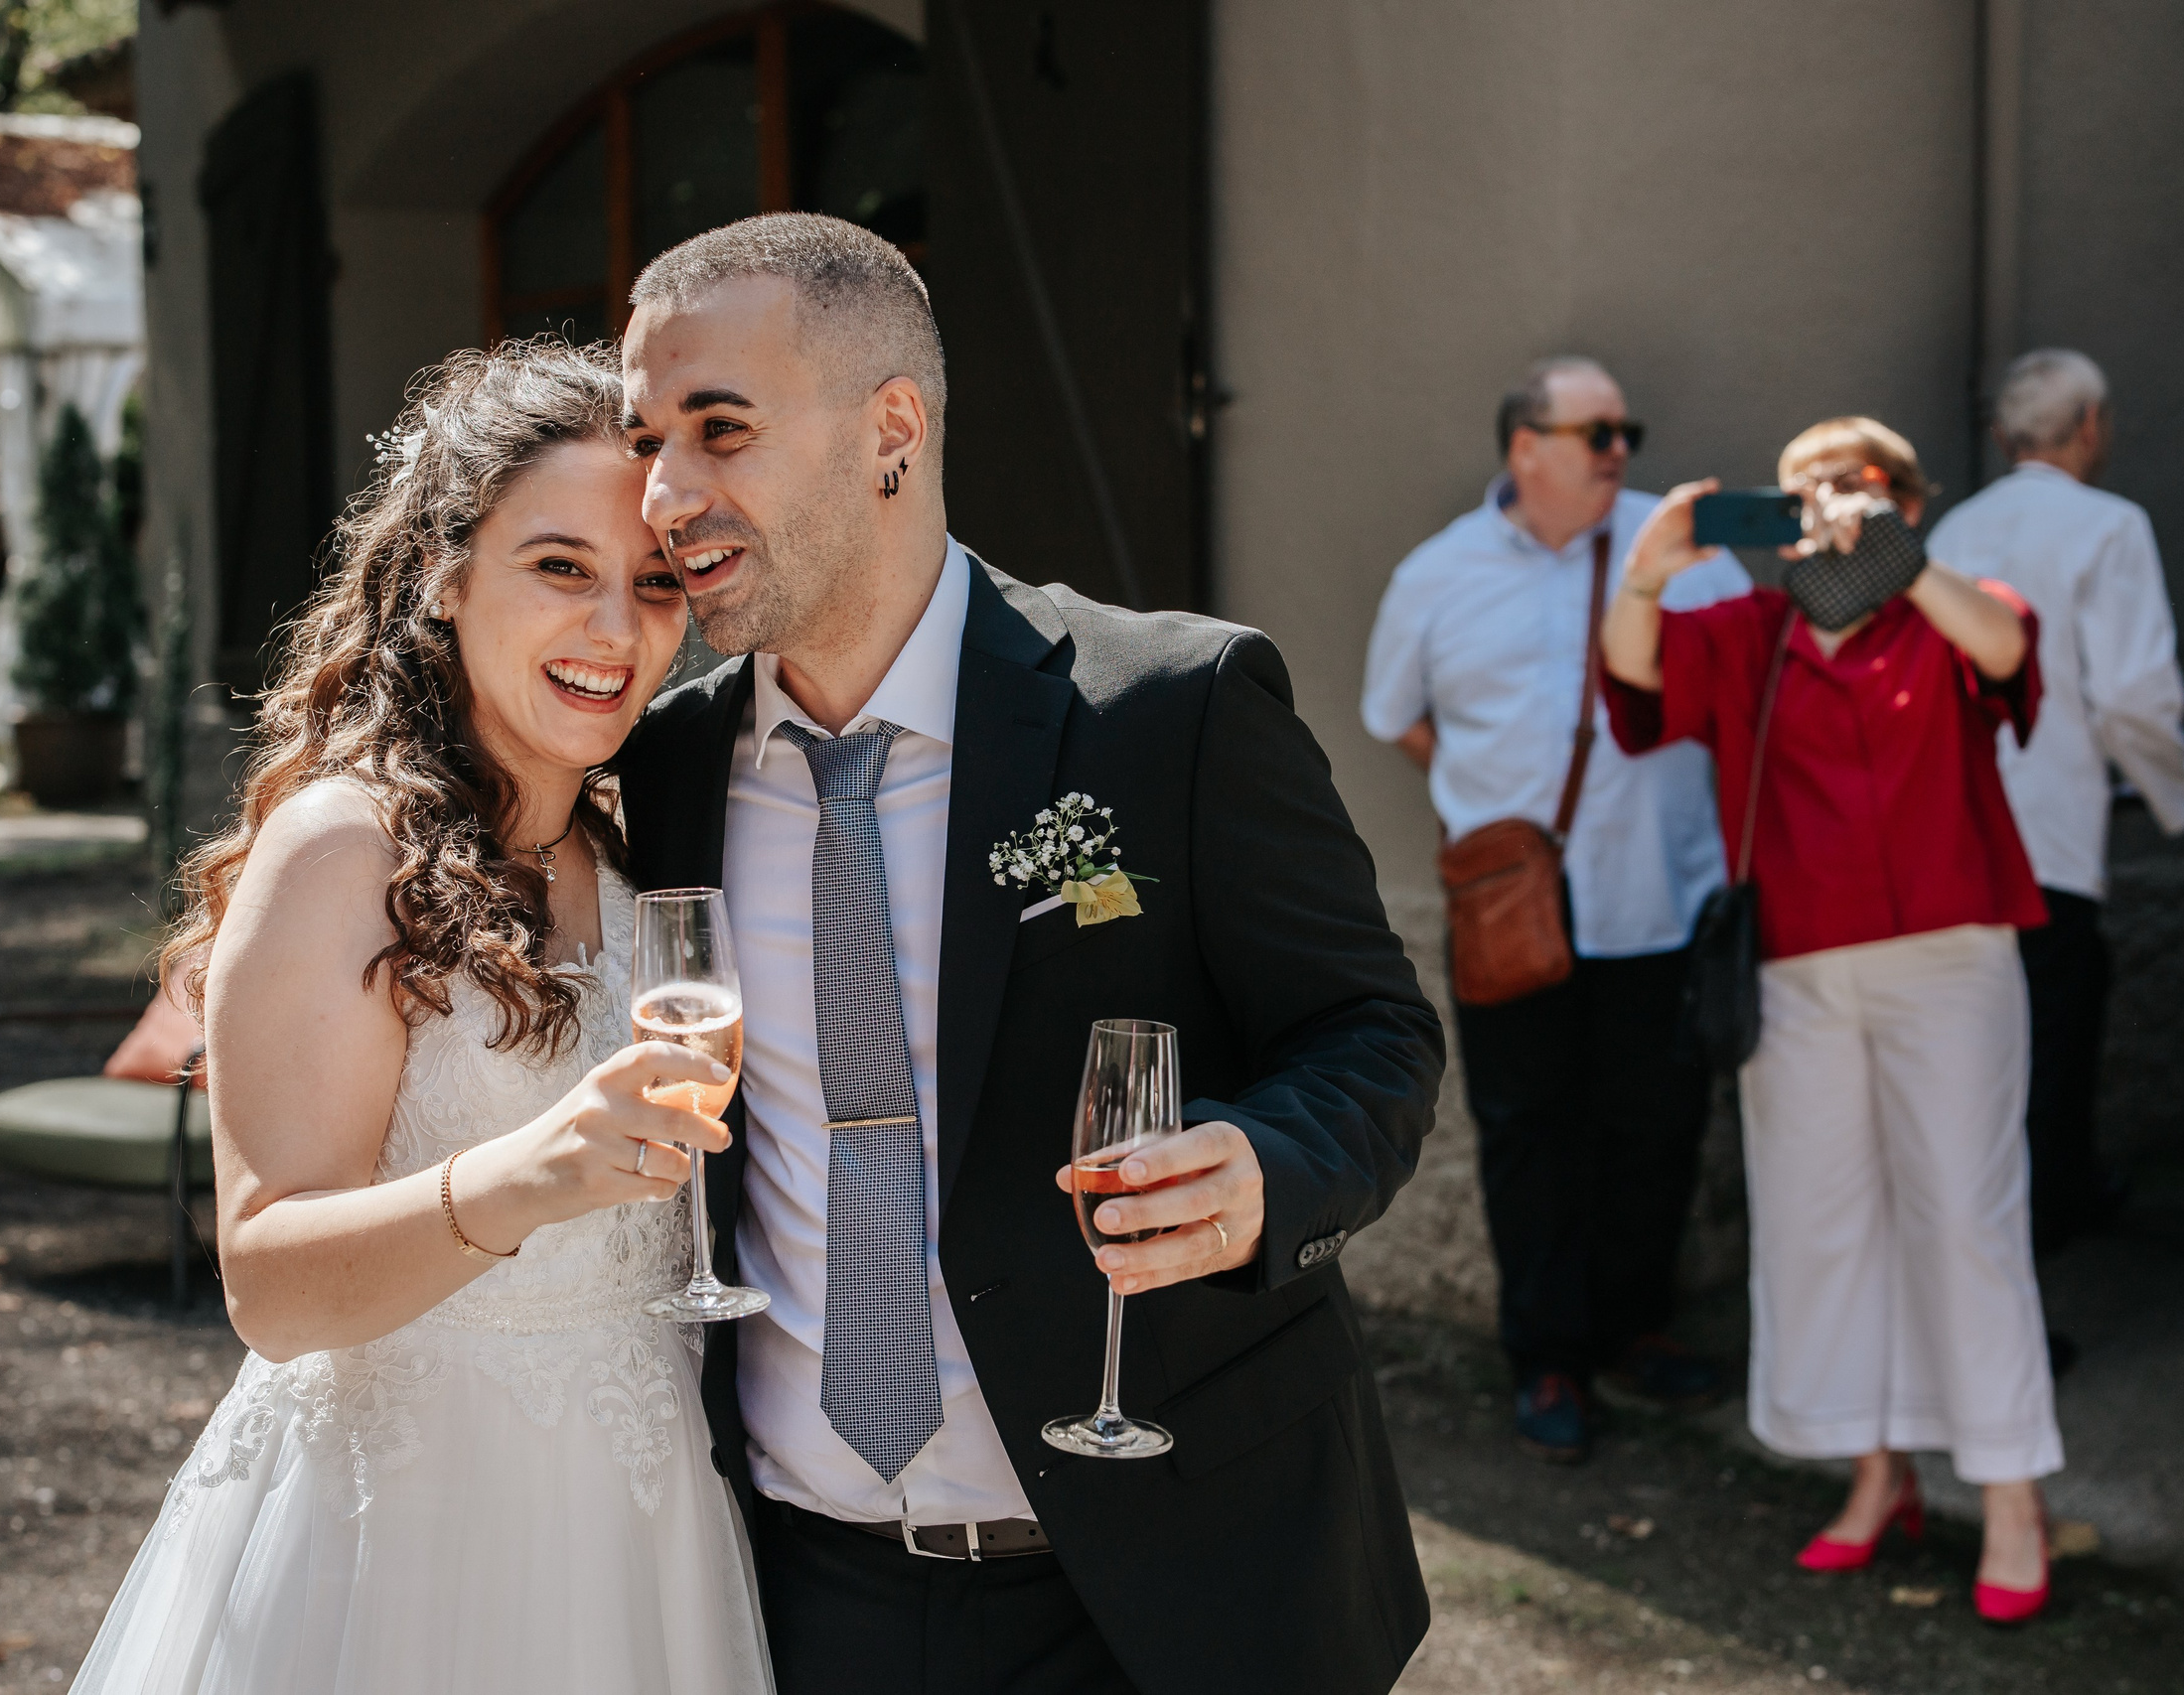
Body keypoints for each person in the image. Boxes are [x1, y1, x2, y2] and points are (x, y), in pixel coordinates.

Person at [617, 212, 1445, 1695]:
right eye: (646, 441)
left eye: (719, 428)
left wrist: (1264, 1170)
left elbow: (1374, 1037)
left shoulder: (1172, 708)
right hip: (804, 1586)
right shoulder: (665, 766)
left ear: (892, 428)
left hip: (1177, 1583)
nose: (665, 494)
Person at [71, 342, 772, 1693]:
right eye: (560, 567)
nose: (614, 633)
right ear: (447, 574)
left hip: (643, 1527)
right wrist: (530, 1171)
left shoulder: (638, 856)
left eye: (655, 584)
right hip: (400, 1539)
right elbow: (267, 1283)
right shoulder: (343, 846)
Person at [1601, 416, 2063, 1625]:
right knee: (1820, 1222)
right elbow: (1636, 677)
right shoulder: (1751, 632)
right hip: (1799, 971)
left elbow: (2007, 648)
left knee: (1963, 1215)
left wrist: (1901, 557)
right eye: (1795, 490)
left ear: (1903, 498)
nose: (1817, 509)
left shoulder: (1949, 605)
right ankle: (1874, 1473)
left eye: (1846, 487)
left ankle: (2011, 1493)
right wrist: (1648, 568)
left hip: (1949, 958)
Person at [1360, 356, 1747, 1464]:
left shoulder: (1679, 553)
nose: (1619, 449)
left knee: (1655, 1129)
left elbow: (1735, 694)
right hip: (1512, 912)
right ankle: (1545, 1359)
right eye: (1595, 431)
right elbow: (1400, 717)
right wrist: (1504, 818)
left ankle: (1632, 1330)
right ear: (1524, 447)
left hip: (1663, 898)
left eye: (1626, 428)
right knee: (1529, 1135)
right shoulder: (1438, 573)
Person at [1929, 350, 2184, 1256]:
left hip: (1955, 834)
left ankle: (2003, 1234)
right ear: (2092, 426)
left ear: (2001, 437)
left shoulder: (1950, 536)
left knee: (1977, 1054)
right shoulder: (2108, 528)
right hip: (2050, 832)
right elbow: (2134, 696)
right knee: (2051, 1042)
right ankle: (2041, 1233)